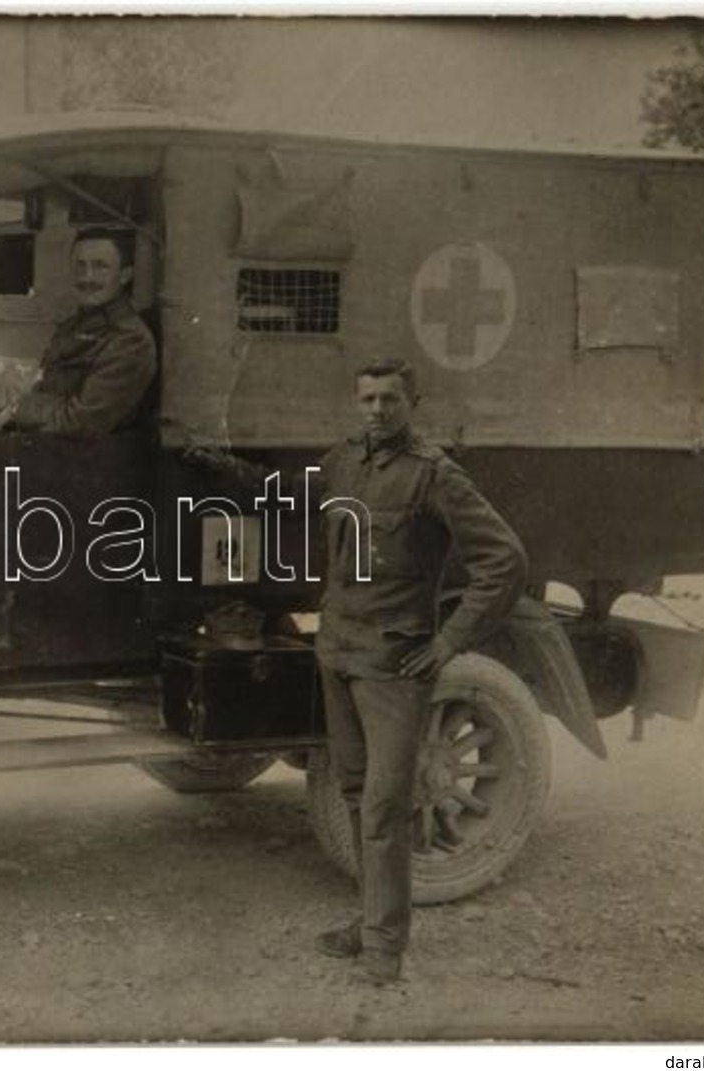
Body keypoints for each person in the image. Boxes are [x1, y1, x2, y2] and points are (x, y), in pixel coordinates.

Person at [314, 358, 527, 984]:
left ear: (413, 402)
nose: (377, 409)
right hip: (338, 652)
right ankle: (370, 921)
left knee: (383, 805)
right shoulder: (343, 462)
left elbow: (505, 561)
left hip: (392, 665)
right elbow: (296, 494)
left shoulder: (434, 476)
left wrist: (449, 641)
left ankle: (384, 950)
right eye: (367, 397)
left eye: (389, 399)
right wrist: (220, 468)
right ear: (356, 402)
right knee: (356, 797)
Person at [0, 227, 157, 435]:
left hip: (92, 463)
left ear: (125, 275)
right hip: (46, 453)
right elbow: (43, 391)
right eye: (80, 266)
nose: (87, 278)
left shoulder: (131, 340)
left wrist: (21, 410)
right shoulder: (70, 328)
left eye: (100, 267)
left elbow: (81, 420)